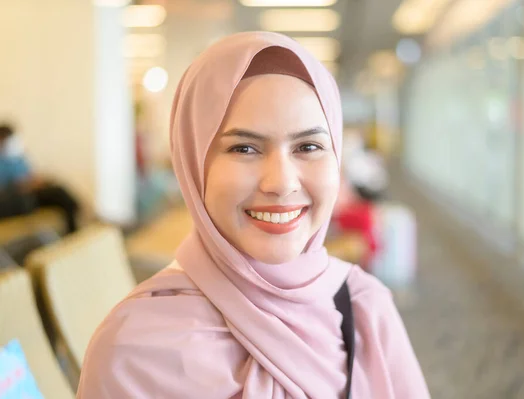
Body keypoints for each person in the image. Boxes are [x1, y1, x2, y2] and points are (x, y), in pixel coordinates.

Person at [77, 32, 430, 398]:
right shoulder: (133, 352)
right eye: (244, 148)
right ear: (194, 163)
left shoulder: (365, 311)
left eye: (308, 146)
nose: (280, 182)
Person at [0, 123, 80, 233]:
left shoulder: (19, 158)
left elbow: (30, 176)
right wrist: (25, 185)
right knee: (52, 194)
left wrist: (38, 181)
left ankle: (74, 228)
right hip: (14, 199)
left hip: (31, 194)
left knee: (58, 191)